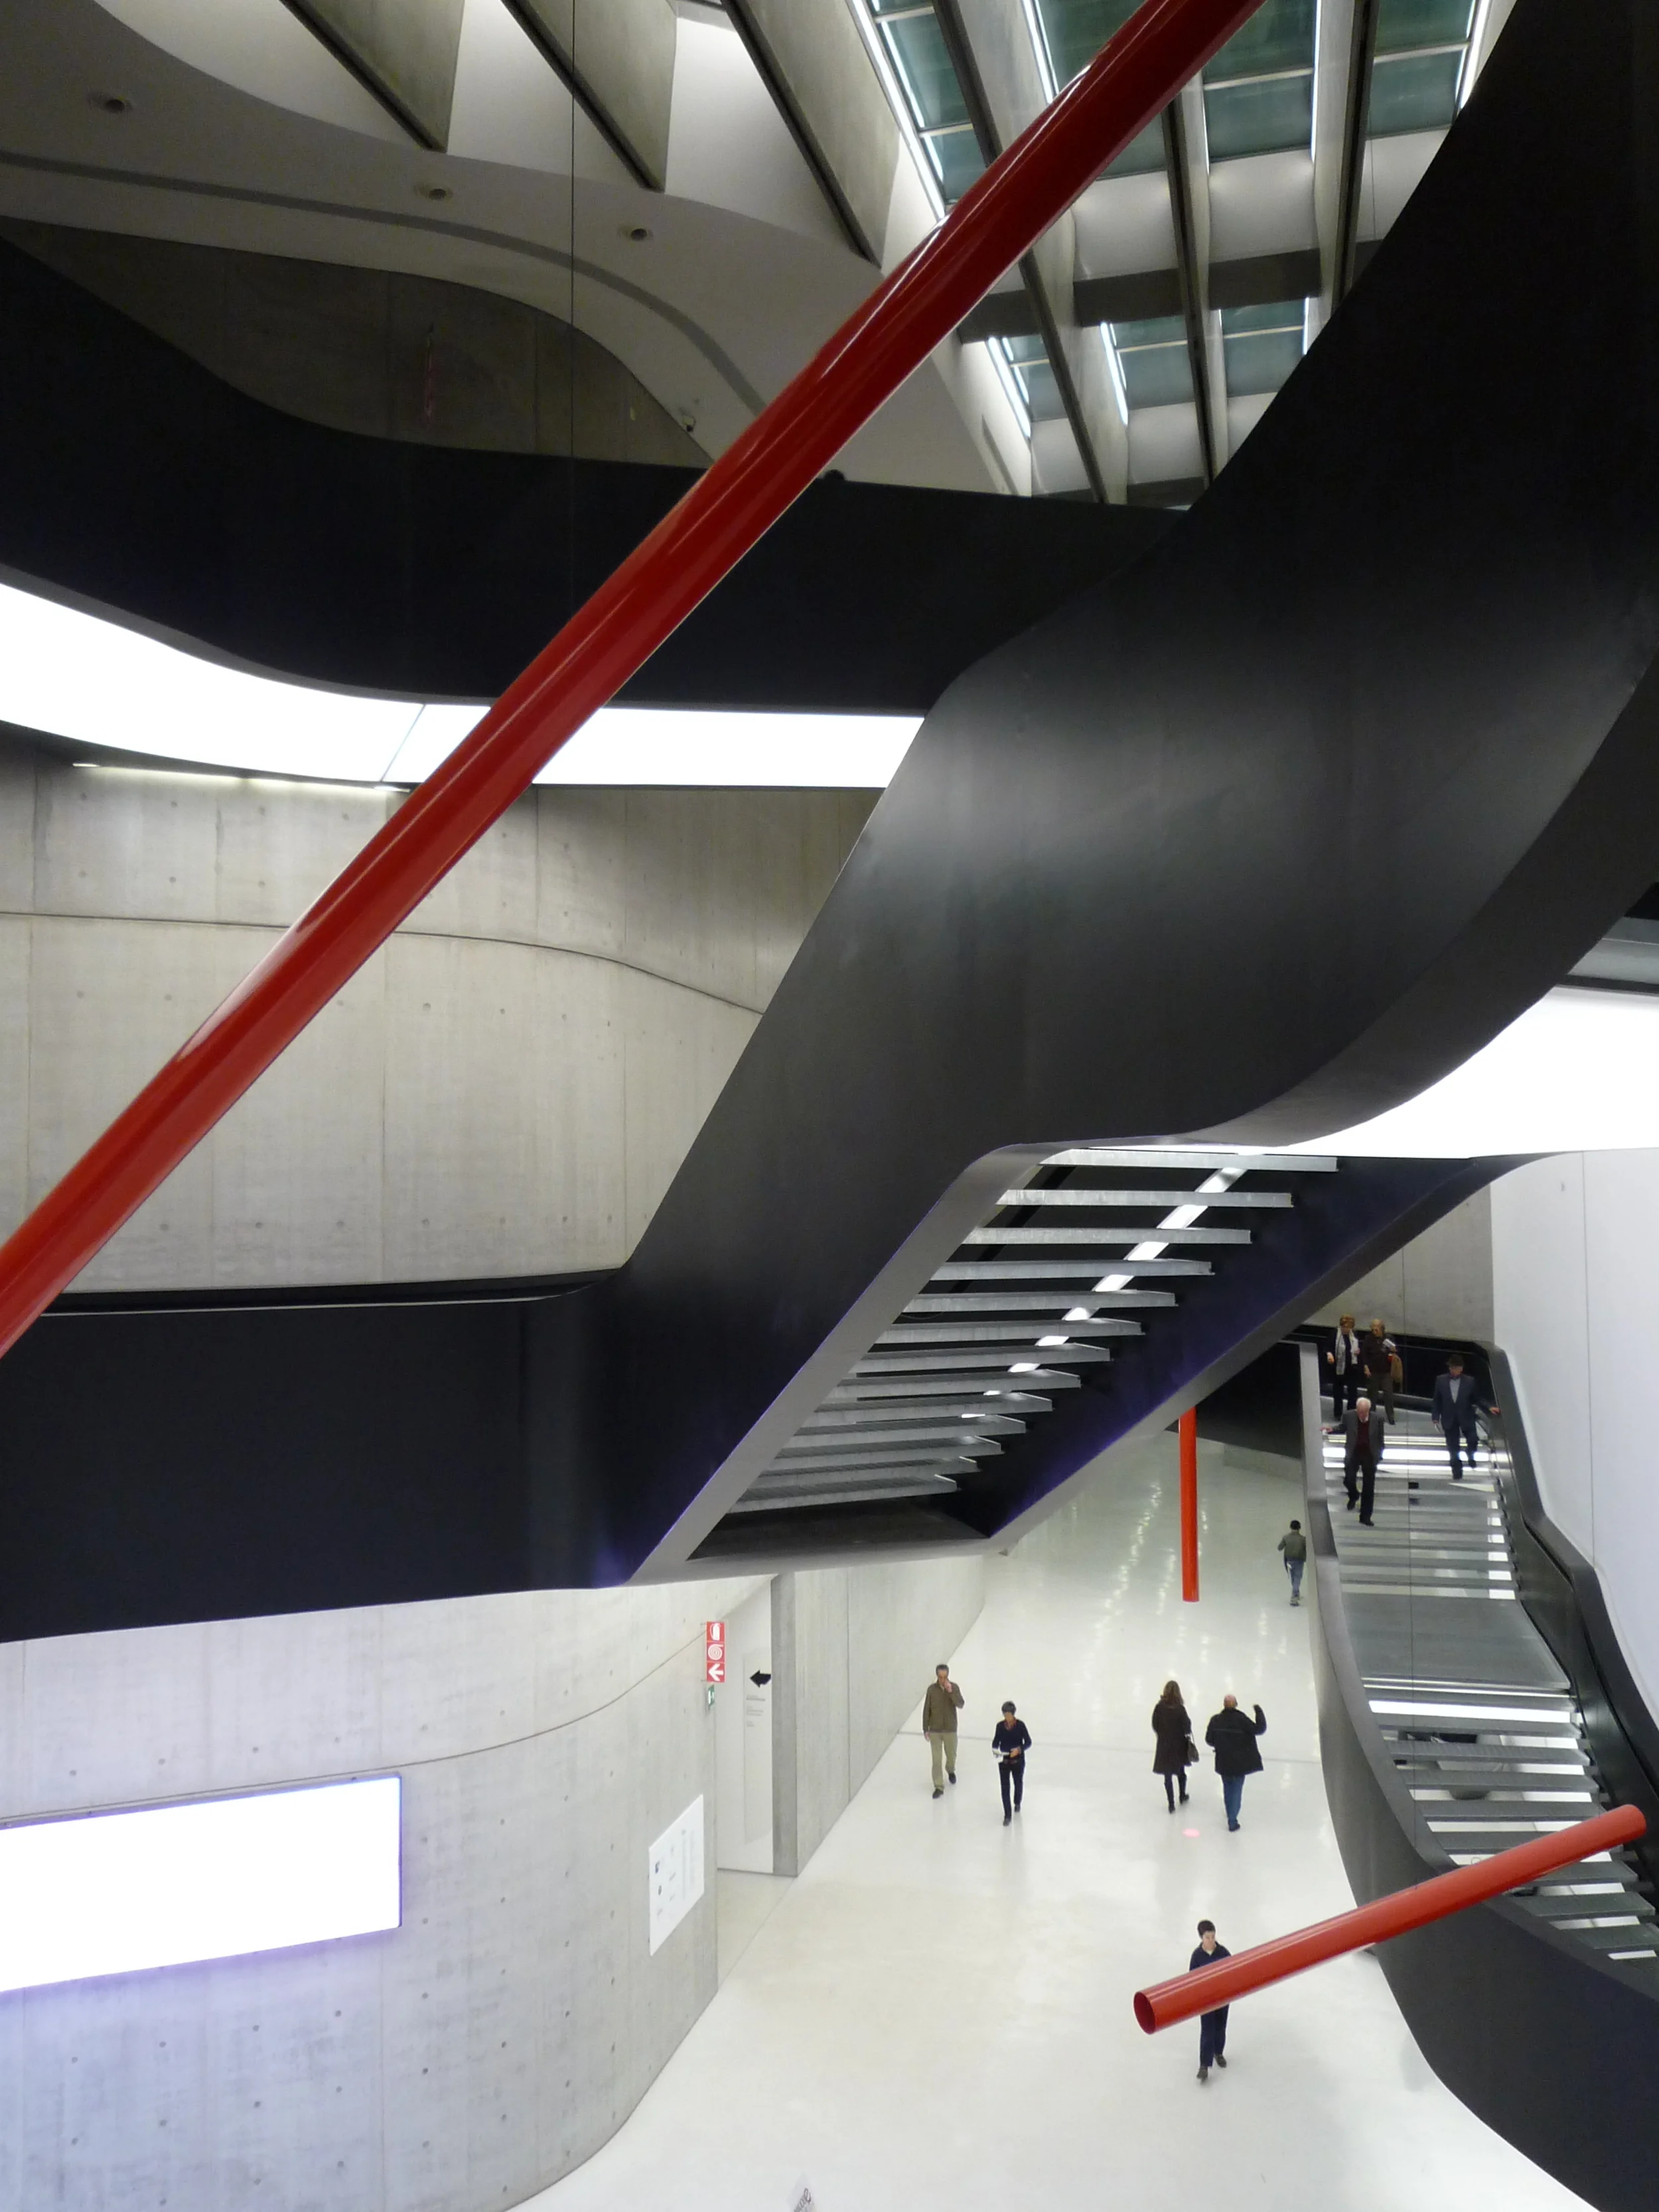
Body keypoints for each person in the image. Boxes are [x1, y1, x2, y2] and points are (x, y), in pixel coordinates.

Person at [1204, 1693, 1266, 1830]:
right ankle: (1232, 1820)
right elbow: (1260, 1729)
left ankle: (1229, 1813)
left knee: (1227, 1788)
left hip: (1223, 1761)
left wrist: (1219, 1744)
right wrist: (1259, 1712)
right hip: (1240, 1762)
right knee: (1237, 1789)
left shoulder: (1216, 1720)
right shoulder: (1242, 1719)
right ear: (1236, 1704)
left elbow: (1209, 1739)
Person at [1431, 1353, 1494, 1479]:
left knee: (1473, 1439)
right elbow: (1437, 1400)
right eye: (1451, 1368)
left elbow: (1477, 1398)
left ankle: (1470, 1454)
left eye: (1455, 1368)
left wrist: (1489, 1407)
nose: (1453, 1370)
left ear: (1461, 1368)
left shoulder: (1470, 1381)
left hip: (1466, 1415)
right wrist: (1435, 1417)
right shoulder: (1441, 1380)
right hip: (1449, 1417)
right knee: (1453, 1446)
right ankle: (1456, 1470)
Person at [1190, 1919, 1232, 2082]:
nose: (1211, 1940)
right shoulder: (1197, 1956)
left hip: (1222, 1998)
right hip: (1206, 2001)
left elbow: (1232, 1972)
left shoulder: (1223, 1952)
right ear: (1202, 1937)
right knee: (1207, 2031)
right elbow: (1192, 1979)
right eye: (1208, 1937)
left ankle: (1219, 2052)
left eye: (1213, 1936)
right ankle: (1204, 2065)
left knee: (1220, 2027)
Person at [922, 1662, 964, 1797]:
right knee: (936, 1759)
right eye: (940, 1677)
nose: (942, 1680)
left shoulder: (954, 1687)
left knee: (951, 1755)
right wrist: (925, 1728)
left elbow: (960, 1704)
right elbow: (926, 1709)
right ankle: (939, 1786)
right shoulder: (931, 1690)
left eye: (945, 1677)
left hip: (950, 1729)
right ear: (937, 1676)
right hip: (935, 1730)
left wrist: (951, 1691)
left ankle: (950, 1769)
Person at [1151, 1680, 1194, 1811]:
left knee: (1167, 1775)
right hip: (1178, 1745)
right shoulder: (1180, 1709)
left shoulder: (1159, 1707)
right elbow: (1187, 1727)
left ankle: (1171, 1804)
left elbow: (1155, 1724)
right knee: (1181, 1772)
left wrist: (1162, 1734)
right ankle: (1182, 1795)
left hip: (1164, 1745)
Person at [1344, 1394, 1386, 1524]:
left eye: (1363, 1412)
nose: (1360, 1414)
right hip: (1354, 1452)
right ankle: (1354, 1494)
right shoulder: (1349, 1416)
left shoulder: (1378, 1419)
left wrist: (1379, 1455)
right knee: (1349, 1479)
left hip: (1369, 1454)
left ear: (1369, 1410)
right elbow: (1342, 1427)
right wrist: (1331, 1430)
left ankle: (1365, 1517)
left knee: (1369, 1487)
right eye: (1359, 1411)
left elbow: (1380, 1438)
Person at [992, 1701, 1032, 1823]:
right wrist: (996, 1750)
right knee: (1005, 1787)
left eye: (1008, 1714)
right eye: (1005, 1714)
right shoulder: (1000, 1726)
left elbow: (1028, 1742)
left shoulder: (1020, 1726)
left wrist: (1019, 1750)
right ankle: (1007, 1814)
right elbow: (995, 1742)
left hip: (1018, 1761)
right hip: (1004, 1761)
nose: (1006, 1717)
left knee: (1018, 1783)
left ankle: (1017, 1802)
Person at [1325, 1313, 1363, 1423]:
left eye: (1348, 1327)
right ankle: (1338, 1414)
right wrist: (1329, 1354)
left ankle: (1351, 1414)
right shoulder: (1335, 1334)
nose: (1346, 1329)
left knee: (1352, 1393)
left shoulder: (1354, 1334)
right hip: (1339, 1368)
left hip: (1352, 1368)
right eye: (1344, 1327)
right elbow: (1327, 1347)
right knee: (1338, 1392)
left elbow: (1357, 1347)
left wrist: (1358, 1351)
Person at [1360, 1317, 1399, 1422]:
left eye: (1376, 1330)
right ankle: (1371, 1416)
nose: (1374, 1332)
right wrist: (1366, 1366)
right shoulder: (1369, 1339)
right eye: (1373, 1330)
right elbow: (1364, 1354)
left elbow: (1395, 1352)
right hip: (1373, 1371)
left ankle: (1391, 1416)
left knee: (1388, 1394)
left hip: (1386, 1371)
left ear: (1382, 1329)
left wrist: (1394, 1351)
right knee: (1372, 1395)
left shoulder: (1388, 1338)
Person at [1277, 1518, 1307, 1605]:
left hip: (1289, 1561)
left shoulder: (1286, 1538)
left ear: (1291, 1527)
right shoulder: (1303, 1539)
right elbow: (1307, 1550)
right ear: (1299, 1528)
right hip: (1299, 1560)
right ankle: (1294, 1597)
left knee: (1293, 1577)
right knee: (1297, 1578)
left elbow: (1279, 1548)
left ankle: (1296, 1593)